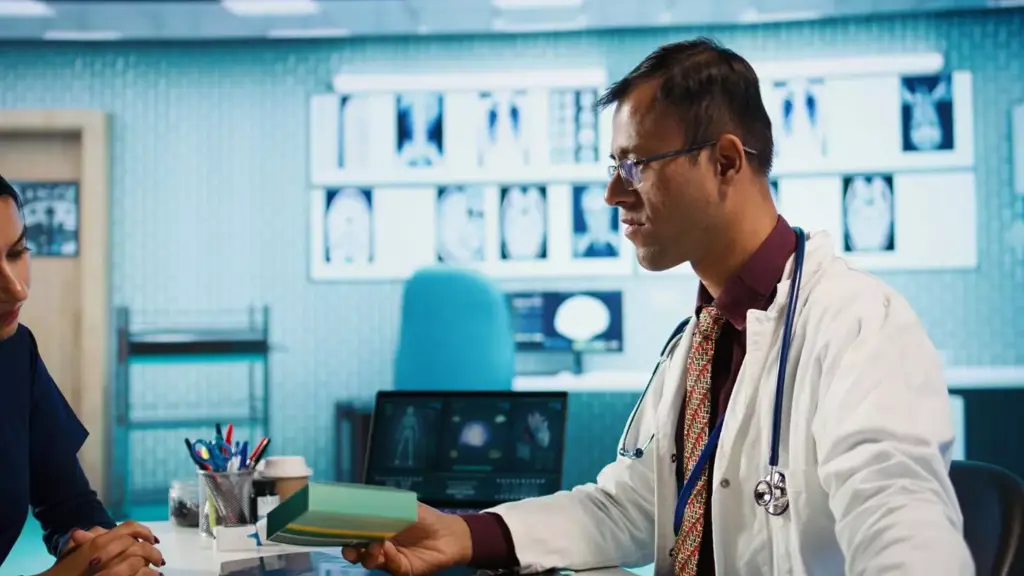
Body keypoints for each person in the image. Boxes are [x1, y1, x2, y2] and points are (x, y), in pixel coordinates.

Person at [342, 38, 973, 575]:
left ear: (725, 161)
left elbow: (903, 529)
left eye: (636, 164)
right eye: (614, 166)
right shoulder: (698, 342)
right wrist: (466, 535)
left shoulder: (856, 326)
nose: (614, 193)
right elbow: (632, 508)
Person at [0, 174, 165, 575]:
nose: (17, 289)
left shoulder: (17, 352)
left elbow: (66, 503)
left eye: (19, 251)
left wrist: (107, 551)